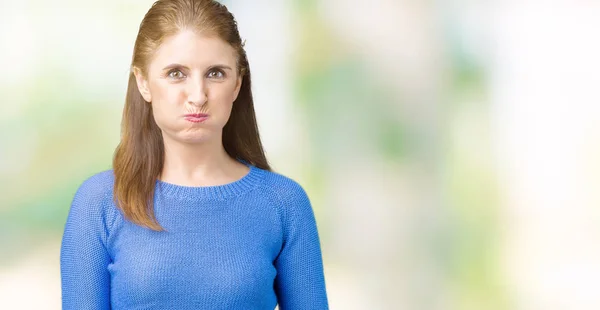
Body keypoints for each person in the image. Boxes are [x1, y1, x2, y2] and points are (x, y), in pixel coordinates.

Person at [59, 0, 329, 309]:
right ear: (143, 83)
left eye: (215, 73)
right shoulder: (99, 202)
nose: (198, 96)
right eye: (176, 73)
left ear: (237, 84)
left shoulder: (284, 204)